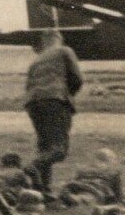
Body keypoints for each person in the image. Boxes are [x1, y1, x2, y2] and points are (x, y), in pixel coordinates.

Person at [22, 27, 83, 192]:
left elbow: (28, 85)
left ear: (44, 42)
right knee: (59, 150)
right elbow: (77, 78)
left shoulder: (36, 59)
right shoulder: (65, 51)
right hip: (55, 100)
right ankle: (31, 166)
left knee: (44, 148)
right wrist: (69, 95)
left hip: (33, 103)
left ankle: (42, 189)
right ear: (59, 39)